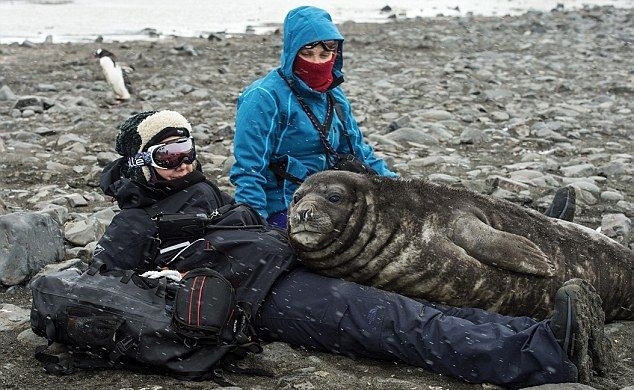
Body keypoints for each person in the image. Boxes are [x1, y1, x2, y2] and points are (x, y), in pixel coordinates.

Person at [95, 110, 611, 388]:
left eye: (188, 151)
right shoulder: (133, 224)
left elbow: (249, 222)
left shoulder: (202, 192)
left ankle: (540, 332)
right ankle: (539, 357)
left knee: (418, 305)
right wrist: (173, 284)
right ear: (142, 161)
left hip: (279, 260)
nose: (185, 163)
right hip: (251, 297)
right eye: (169, 155)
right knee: (392, 325)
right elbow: (108, 286)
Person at [229, 6, 398, 229]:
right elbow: (249, 171)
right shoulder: (263, 97)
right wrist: (256, 226)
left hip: (333, 198)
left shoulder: (334, 94)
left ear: (335, 55)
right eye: (307, 54)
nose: (317, 63)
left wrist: (398, 188)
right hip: (285, 204)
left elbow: (358, 151)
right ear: (291, 52)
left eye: (324, 55)